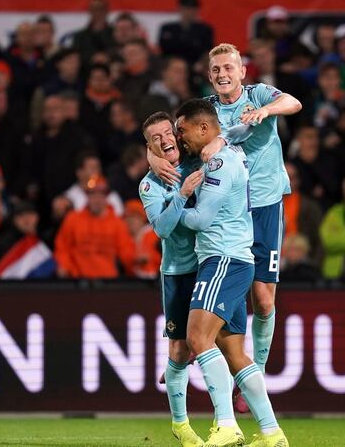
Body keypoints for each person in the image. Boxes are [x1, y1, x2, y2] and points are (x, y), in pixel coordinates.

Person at [150, 43, 301, 384]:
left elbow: (294, 102)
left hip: (262, 206)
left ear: (242, 72)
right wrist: (153, 158)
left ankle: (255, 370)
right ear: (209, 76)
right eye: (216, 69)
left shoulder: (259, 95)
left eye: (228, 68)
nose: (222, 74)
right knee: (211, 283)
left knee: (262, 301)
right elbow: (170, 139)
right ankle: (187, 348)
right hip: (223, 212)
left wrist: (266, 111)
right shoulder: (206, 112)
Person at [174, 99, 288, 447]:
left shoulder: (221, 162)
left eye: (183, 131)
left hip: (222, 259)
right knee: (236, 354)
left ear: (205, 128)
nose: (180, 139)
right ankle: (272, 433)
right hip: (233, 259)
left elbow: (200, 219)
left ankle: (226, 425)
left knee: (197, 337)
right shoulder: (227, 153)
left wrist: (175, 203)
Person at [139, 111, 204, 446]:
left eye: (167, 133)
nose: (164, 141)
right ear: (148, 147)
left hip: (211, 261)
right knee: (178, 349)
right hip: (178, 270)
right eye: (155, 140)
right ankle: (181, 424)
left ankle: (229, 421)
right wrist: (180, 195)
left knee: (217, 341)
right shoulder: (149, 184)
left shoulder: (197, 159)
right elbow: (162, 229)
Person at [53, 174, 135, 279]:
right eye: (92, 194)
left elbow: (126, 251)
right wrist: (64, 266)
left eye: (100, 194)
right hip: (78, 282)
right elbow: (62, 248)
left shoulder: (117, 223)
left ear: (106, 197)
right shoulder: (73, 219)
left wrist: (136, 259)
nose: (96, 199)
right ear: (87, 196)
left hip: (107, 283)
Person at [158, 0, 214, 66]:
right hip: (170, 66)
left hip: (195, 66)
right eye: (186, 8)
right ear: (179, 8)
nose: (188, 12)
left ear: (197, 11)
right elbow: (163, 49)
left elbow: (207, 52)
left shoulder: (204, 30)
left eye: (192, 9)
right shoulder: (167, 28)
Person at [123, 199, 161, 279]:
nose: (131, 221)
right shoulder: (125, 236)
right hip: (133, 281)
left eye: (135, 217)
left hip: (153, 282)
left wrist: (149, 258)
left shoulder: (152, 233)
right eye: (128, 218)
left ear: (142, 218)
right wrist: (135, 259)